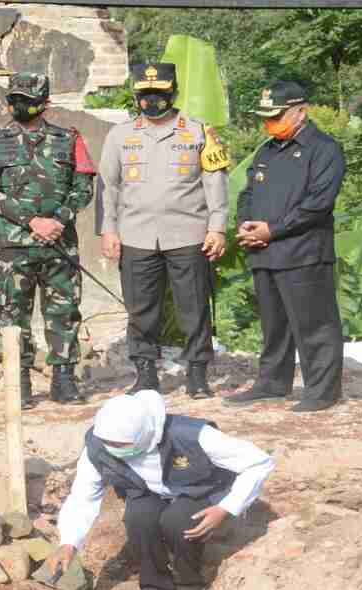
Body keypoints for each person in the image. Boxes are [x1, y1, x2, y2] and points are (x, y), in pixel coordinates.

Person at [49, 390, 275, 590]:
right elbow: (83, 495)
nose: (114, 450)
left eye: (121, 444)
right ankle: (155, 585)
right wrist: (69, 541)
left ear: (147, 433)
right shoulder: (98, 445)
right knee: (138, 519)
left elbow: (258, 462)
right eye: (109, 443)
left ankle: (190, 581)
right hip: (147, 491)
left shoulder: (191, 435)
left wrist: (227, 507)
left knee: (178, 520)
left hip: (200, 489)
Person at [98, 62, 231, 398]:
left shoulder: (200, 132)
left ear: (173, 93)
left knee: (194, 306)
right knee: (140, 309)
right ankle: (145, 373)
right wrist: (108, 230)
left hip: (188, 234)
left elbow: (215, 183)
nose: (151, 100)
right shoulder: (120, 135)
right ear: (137, 96)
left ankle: (197, 374)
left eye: (158, 94)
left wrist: (218, 227)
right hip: (136, 235)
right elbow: (108, 187)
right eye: (145, 94)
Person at [0, 72, 96, 406]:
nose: (19, 105)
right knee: (13, 314)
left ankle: (64, 380)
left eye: (27, 101)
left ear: (45, 103)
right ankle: (20, 381)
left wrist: (57, 220)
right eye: (14, 99)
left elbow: (83, 187)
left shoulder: (70, 139)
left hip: (59, 243)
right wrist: (31, 221)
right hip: (13, 246)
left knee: (64, 311)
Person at [224, 82, 346, 414]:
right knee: (273, 324)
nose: (270, 123)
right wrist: (246, 223)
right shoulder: (267, 149)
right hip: (265, 252)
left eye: (276, 116)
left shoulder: (324, 149)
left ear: (301, 111)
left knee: (314, 324)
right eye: (267, 118)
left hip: (303, 252)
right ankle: (272, 382)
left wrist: (273, 230)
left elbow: (317, 204)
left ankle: (322, 391)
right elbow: (247, 193)